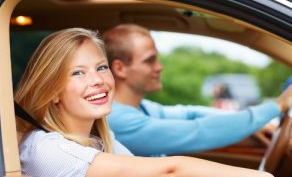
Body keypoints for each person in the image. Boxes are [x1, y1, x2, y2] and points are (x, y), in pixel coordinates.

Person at [14, 28, 275, 177]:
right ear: (53, 91)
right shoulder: (48, 151)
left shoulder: (104, 139)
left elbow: (187, 115)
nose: (98, 80)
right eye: (78, 72)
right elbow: (170, 170)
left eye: (101, 67)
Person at [103, 24, 290, 156]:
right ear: (120, 68)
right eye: (149, 60)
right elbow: (197, 131)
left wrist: (254, 123)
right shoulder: (116, 119)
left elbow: (191, 114)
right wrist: (276, 106)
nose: (159, 67)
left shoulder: (142, 108)